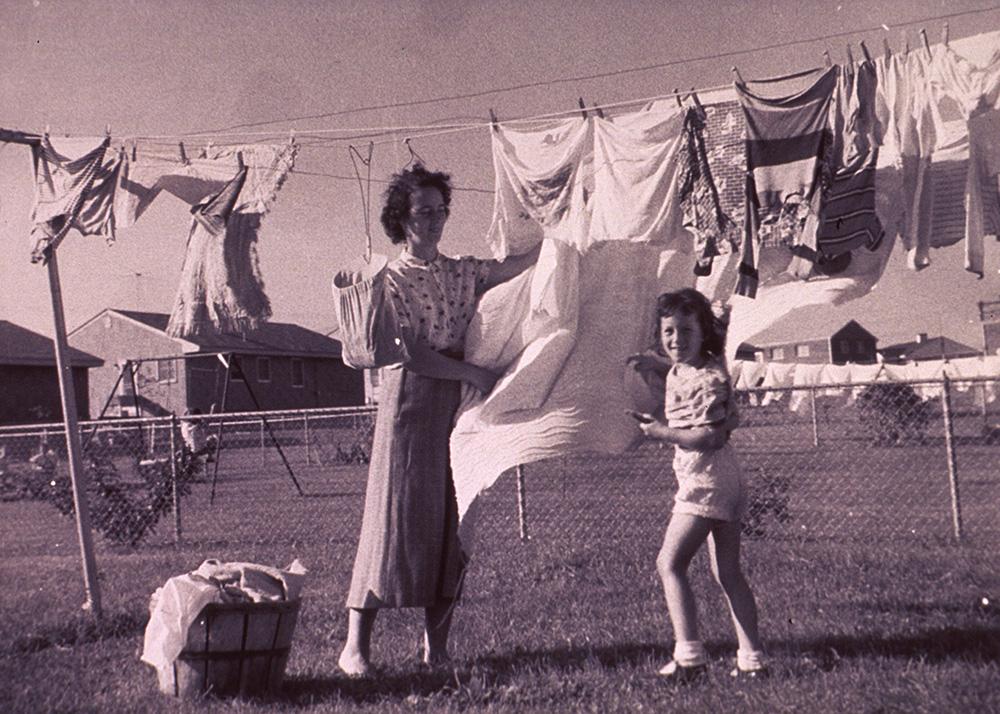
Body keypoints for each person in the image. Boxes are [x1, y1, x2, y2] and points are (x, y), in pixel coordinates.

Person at [337, 164, 541, 677]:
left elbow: (515, 266)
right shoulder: (389, 279)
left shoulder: (458, 271)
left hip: (458, 404)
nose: (433, 220)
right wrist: (470, 369)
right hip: (409, 405)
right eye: (422, 212)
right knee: (393, 517)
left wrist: (562, 229)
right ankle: (355, 648)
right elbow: (410, 355)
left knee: (453, 518)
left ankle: (438, 645)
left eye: (440, 210)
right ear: (402, 220)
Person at [626, 288, 767, 681]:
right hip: (724, 477)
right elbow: (674, 365)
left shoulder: (707, 378)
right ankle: (752, 660)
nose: (676, 340)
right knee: (727, 573)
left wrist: (659, 432)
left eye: (686, 331)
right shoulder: (686, 368)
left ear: (705, 333)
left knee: (669, 564)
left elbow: (709, 437)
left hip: (707, 478)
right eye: (668, 331)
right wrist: (652, 362)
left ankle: (690, 658)